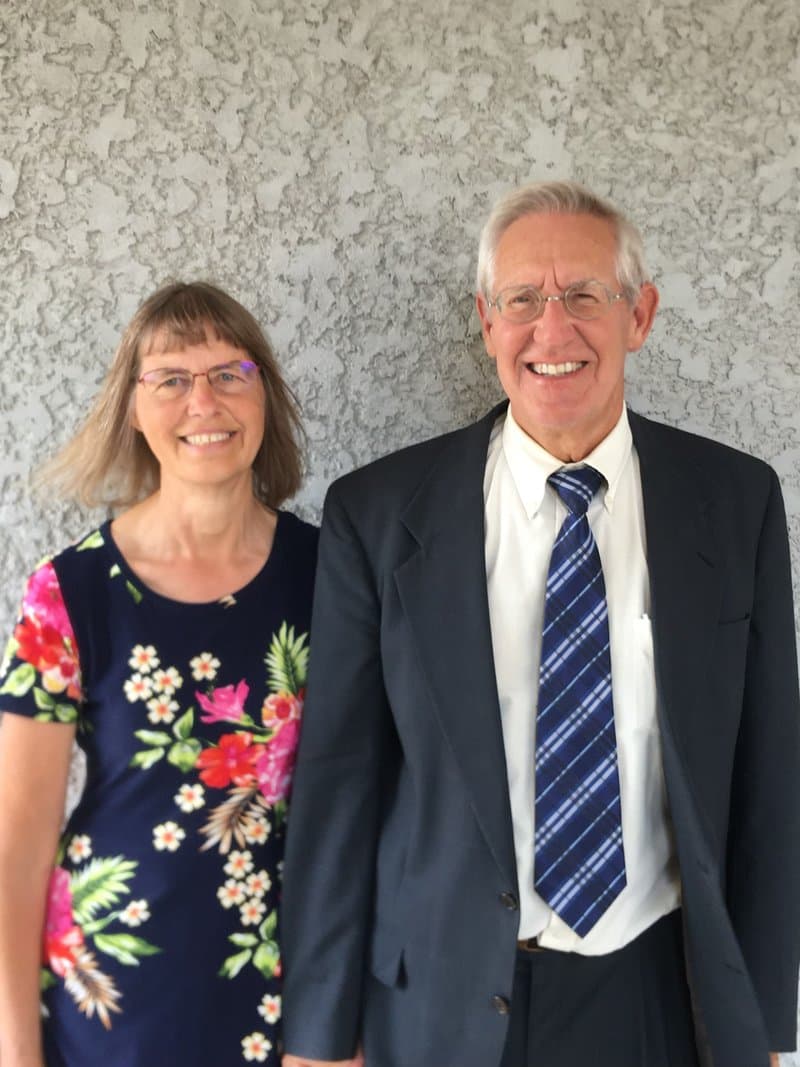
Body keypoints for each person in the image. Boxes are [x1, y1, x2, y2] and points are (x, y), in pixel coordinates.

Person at [280, 182, 800, 1067]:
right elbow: (340, 783)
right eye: (523, 299)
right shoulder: (379, 514)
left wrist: (772, 1033)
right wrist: (319, 1037)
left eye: (585, 295)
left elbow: (769, 779)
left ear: (640, 315)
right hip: (440, 1003)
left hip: (659, 997)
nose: (551, 330)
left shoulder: (734, 501)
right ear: (486, 322)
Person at [0, 281, 318, 1067]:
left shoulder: (334, 575)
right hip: (109, 998)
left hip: (291, 986)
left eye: (229, 373)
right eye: (171, 378)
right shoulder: (67, 592)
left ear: (265, 398)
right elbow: (17, 834)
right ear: (134, 410)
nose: (202, 401)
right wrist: (14, 1048)